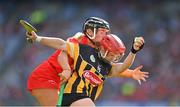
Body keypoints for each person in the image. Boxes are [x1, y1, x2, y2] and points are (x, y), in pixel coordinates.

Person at [26, 17, 148, 106]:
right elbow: (62, 52)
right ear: (90, 32)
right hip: (47, 76)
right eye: (102, 32)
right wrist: (67, 69)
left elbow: (109, 69)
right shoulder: (79, 39)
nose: (106, 35)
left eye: (107, 32)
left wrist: (130, 73)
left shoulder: (97, 50)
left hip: (62, 81)